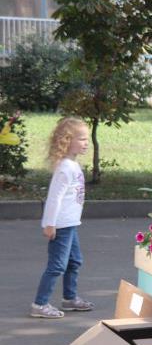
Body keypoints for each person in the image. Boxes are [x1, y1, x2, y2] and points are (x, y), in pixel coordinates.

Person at [31, 117, 94, 318]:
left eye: (87, 139)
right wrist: (49, 224)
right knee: (57, 265)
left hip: (70, 223)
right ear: (67, 141)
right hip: (61, 225)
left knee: (74, 261)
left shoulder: (73, 165)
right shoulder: (65, 168)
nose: (86, 143)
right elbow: (54, 198)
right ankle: (40, 304)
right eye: (81, 139)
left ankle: (69, 298)